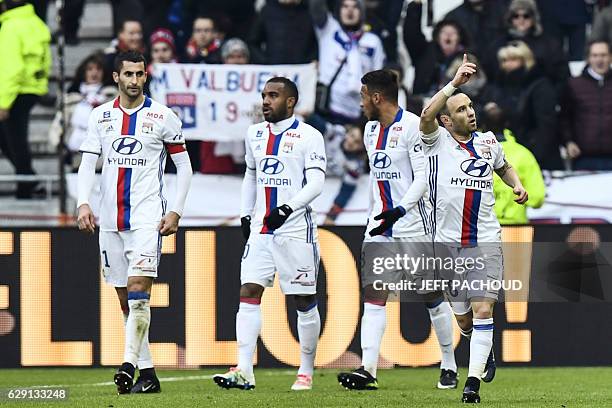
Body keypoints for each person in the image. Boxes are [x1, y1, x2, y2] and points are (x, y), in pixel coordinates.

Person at [76, 51, 193, 394]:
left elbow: (184, 167)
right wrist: (84, 202)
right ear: (116, 77)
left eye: (139, 74)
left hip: (146, 218)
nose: (134, 80)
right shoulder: (100, 117)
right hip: (110, 219)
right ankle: (148, 373)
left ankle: (127, 363)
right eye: (128, 74)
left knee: (140, 293)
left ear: (145, 76)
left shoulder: (163, 117)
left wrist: (176, 210)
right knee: (127, 301)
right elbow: (87, 163)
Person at [336, 69, 458, 391]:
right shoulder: (369, 130)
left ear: (377, 97)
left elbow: (421, 177)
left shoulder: (413, 127)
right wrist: (378, 217)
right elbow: (378, 181)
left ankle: (448, 362)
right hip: (380, 226)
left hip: (413, 222)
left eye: (363, 96)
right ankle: (368, 370)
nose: (361, 103)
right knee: (374, 294)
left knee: (430, 294)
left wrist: (400, 210)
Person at [419, 54, 528, 403]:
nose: (471, 112)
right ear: (447, 121)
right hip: (447, 245)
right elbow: (425, 115)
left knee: (484, 311)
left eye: (471, 106)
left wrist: (516, 184)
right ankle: (485, 350)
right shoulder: (436, 142)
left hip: (485, 241)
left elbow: (504, 166)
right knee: (464, 321)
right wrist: (453, 83)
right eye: (462, 109)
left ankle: (473, 384)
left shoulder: (488, 142)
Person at [212, 77, 326, 391]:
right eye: (263, 95)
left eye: (273, 96)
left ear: (290, 102)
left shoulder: (309, 136)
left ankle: (305, 371)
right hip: (262, 231)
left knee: (303, 300)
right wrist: (246, 213)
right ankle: (244, 370)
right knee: (248, 291)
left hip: (295, 231)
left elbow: (316, 184)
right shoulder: (255, 134)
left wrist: (287, 209)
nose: (265, 101)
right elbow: (251, 173)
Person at [479, 41, 561, 169]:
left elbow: (546, 126)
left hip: (535, 155)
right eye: (504, 60)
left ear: (525, 60)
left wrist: (533, 156)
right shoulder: (497, 87)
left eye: (513, 59)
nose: (508, 64)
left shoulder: (540, 86)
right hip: (506, 156)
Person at [0, 0, 51, 199]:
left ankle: (26, 186)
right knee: (9, 138)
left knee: (17, 140)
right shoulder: (35, 22)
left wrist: (3, 102)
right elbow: (46, 59)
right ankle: (30, 179)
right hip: (32, 88)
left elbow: (11, 69)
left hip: (15, 91)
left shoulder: (10, 27)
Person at [309, 0, 385, 125]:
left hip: (356, 115)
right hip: (326, 111)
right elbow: (316, 5)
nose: (350, 10)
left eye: (355, 7)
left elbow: (378, 79)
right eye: (345, 6)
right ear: (339, 9)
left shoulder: (373, 41)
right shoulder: (328, 29)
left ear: (362, 11)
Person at [483, 0, 569, 96]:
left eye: (526, 15)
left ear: (533, 18)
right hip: (507, 97)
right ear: (510, 19)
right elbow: (489, 75)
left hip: (540, 97)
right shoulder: (498, 44)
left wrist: (551, 96)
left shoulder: (549, 44)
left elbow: (562, 75)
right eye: (516, 16)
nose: (521, 20)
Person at [48, 53, 117, 171]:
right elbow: (58, 126)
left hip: (106, 160)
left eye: (98, 69)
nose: (94, 73)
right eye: (90, 69)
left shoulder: (113, 97)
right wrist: (61, 148)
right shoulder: (71, 99)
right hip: (77, 158)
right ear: (83, 73)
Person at [481, 104, 545, 224]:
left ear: (482, 126)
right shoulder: (524, 154)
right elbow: (537, 198)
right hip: (516, 230)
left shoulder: (470, 154)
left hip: (482, 229)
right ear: (507, 125)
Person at [560, 40, 612, 171]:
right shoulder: (574, 84)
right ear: (588, 58)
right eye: (595, 55)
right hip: (584, 158)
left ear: (610, 56)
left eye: (603, 55)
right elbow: (564, 117)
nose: (600, 60)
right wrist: (568, 141)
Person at [249, 0, 318, 65]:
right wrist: (265, 62)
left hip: (303, 71)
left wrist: (311, 60)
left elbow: (318, 41)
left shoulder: (309, 11)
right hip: (274, 70)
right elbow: (253, 42)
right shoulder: (268, 11)